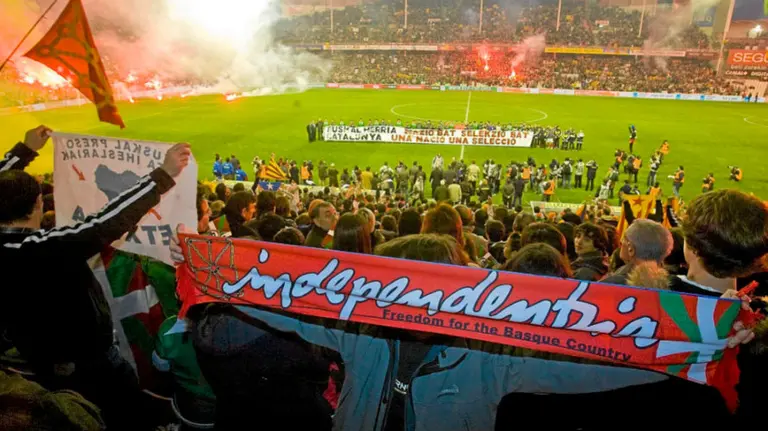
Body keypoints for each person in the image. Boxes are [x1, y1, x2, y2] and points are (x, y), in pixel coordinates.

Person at [0, 126, 190, 430]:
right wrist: (162, 176)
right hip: (83, 367)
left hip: (35, 361)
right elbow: (102, 225)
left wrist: (23, 152)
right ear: (38, 204)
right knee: (127, 417)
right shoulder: (39, 250)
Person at [602, 220, 672, 286]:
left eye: (624, 238)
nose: (621, 242)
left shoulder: (610, 285)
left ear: (631, 249)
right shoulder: (675, 285)